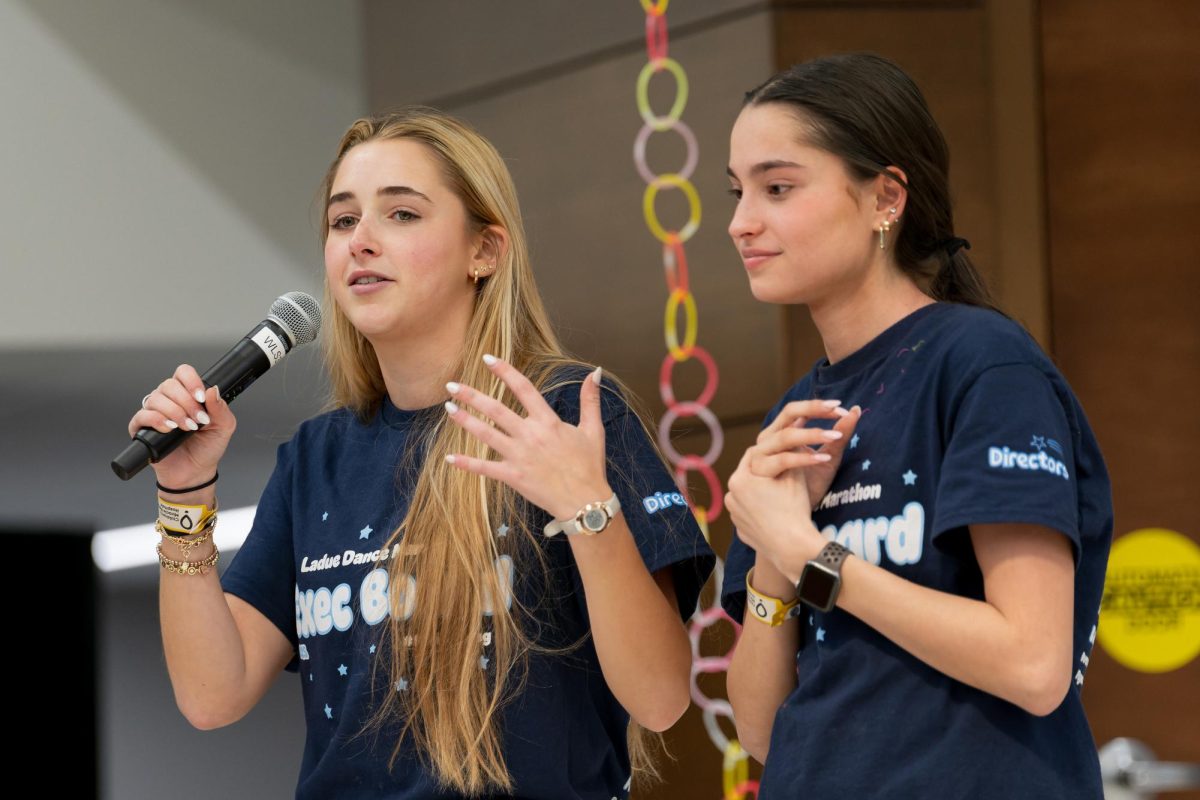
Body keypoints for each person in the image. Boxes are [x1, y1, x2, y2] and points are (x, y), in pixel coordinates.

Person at [129, 107, 714, 799]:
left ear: (484, 251)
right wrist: (185, 496)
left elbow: (661, 698)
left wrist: (587, 507)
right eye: (343, 221)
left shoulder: (565, 412)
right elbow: (211, 695)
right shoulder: (316, 458)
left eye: (401, 215)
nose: (361, 242)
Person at [720, 54, 1112, 799]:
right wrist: (773, 560)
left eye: (778, 188)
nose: (742, 223)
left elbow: (1034, 666)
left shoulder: (985, 368)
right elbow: (763, 731)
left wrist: (811, 553)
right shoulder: (795, 415)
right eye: (738, 193)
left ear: (885, 199)